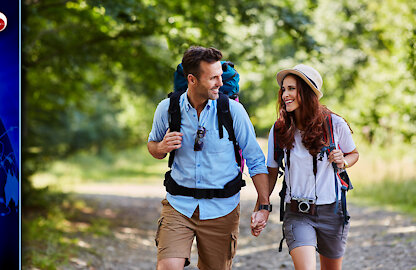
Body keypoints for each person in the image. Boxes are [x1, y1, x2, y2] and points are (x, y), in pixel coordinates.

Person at [147, 46, 271, 270]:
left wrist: (263, 204)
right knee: (167, 266)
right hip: (178, 206)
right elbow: (153, 146)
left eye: (221, 77)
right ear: (192, 80)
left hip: (222, 209)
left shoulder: (233, 111)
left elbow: (255, 159)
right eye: (213, 78)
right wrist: (161, 147)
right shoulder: (167, 109)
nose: (220, 83)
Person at [264, 64, 359, 270]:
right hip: (297, 212)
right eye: (283, 89)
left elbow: (354, 154)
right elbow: (271, 170)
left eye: (291, 89)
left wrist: (343, 160)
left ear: (306, 92)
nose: (284, 94)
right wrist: (262, 207)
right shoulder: (280, 129)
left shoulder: (334, 124)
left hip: (332, 211)